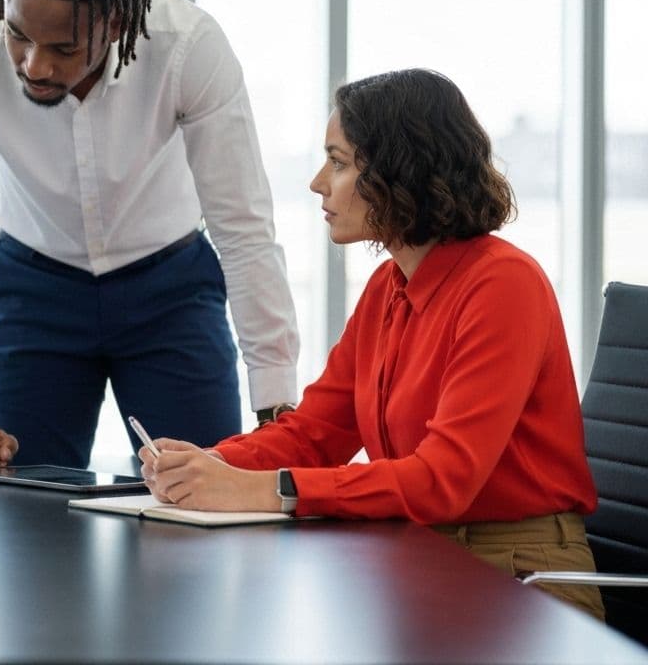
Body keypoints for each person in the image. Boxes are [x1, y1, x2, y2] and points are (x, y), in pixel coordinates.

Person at [139, 68, 604, 619]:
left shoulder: (504, 285)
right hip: (419, 555)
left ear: (396, 170)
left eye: (337, 162)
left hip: (522, 574)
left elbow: (442, 480)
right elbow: (316, 434)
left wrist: (261, 490)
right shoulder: (389, 288)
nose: (317, 182)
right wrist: (210, 464)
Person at [0, 0, 299, 469]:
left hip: (171, 291)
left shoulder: (189, 48)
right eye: (19, 36)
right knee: (23, 512)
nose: (34, 66)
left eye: (63, 48)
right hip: (31, 290)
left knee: (203, 506)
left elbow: (243, 228)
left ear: (116, 22)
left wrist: (276, 408)